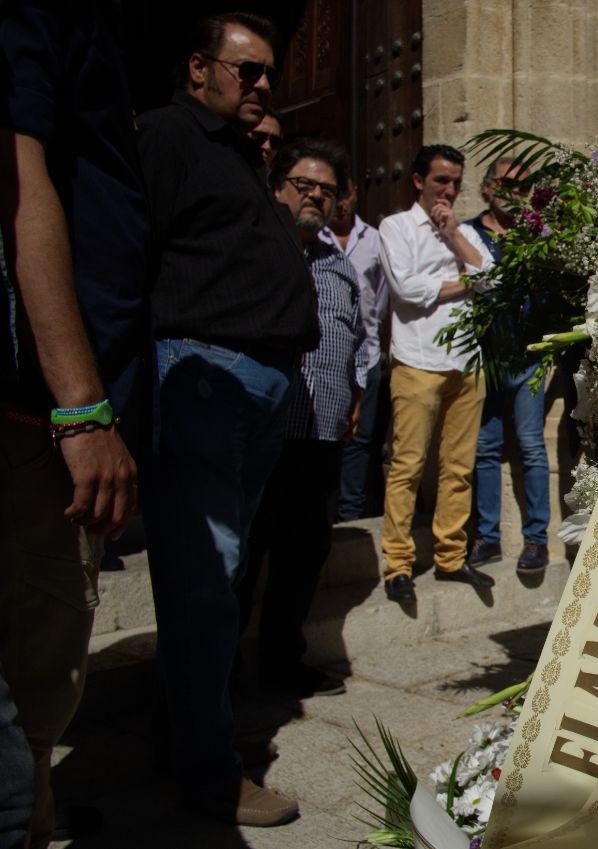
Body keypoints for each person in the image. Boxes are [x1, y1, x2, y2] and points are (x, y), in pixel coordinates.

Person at [135, 11, 316, 827]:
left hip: (258, 385)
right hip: (206, 375)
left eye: (270, 72)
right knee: (205, 580)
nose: (265, 86)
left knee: (229, 578)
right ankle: (209, 774)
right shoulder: (169, 136)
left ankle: (197, 732)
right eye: (249, 71)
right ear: (199, 67)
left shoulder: (237, 151)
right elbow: (133, 255)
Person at [0, 3, 147, 846]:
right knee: (35, 671)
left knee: (43, 681)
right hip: (35, 410)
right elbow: (21, 185)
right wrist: (80, 407)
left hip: (52, 404)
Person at [239, 140, 366, 699]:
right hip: (262, 430)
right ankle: (220, 673)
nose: (316, 194)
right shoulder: (254, 248)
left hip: (320, 436)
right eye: (304, 184)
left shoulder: (338, 264)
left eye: (328, 189)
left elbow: (358, 335)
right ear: (277, 186)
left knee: (303, 553)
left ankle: (281, 661)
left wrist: (356, 390)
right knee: (244, 554)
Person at [379, 144, 495, 599]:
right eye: (440, 180)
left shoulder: (464, 232)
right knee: (408, 465)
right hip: (418, 360)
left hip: (467, 362)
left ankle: (451, 557)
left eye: (455, 182)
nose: (449, 189)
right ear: (418, 181)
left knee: (459, 467)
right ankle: (398, 565)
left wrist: (454, 239)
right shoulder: (396, 227)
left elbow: (495, 279)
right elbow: (407, 289)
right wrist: (468, 282)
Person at [465, 159, 551, 574]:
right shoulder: (468, 235)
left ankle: (536, 540)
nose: (512, 192)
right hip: (486, 359)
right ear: (486, 189)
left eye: (520, 186)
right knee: (485, 449)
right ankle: (487, 537)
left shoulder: (535, 234)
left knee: (532, 446)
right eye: (504, 184)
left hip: (529, 358)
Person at [324, 178, 389, 521]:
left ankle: (350, 512)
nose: (341, 203)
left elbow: (379, 299)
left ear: (355, 193)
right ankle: (321, 509)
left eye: (345, 194)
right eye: (335, 195)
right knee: (321, 437)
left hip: (368, 355)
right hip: (322, 358)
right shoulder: (312, 237)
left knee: (361, 438)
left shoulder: (375, 240)